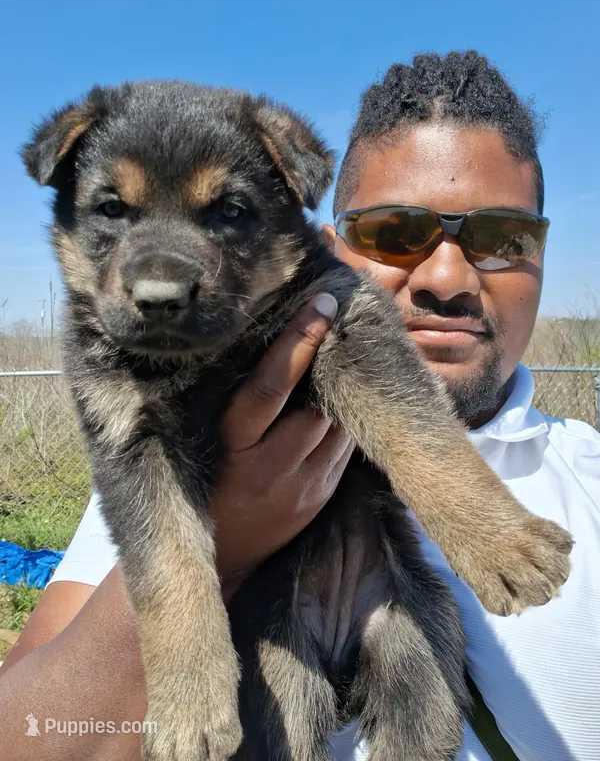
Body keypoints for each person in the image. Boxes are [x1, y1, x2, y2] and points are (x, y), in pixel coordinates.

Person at [1, 50, 598, 761]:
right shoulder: (127, 381)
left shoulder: (583, 472)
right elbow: (26, 738)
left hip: (395, 607)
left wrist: (466, 507)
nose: (447, 276)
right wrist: (224, 554)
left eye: (504, 238)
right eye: (395, 233)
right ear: (330, 240)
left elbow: (362, 359)